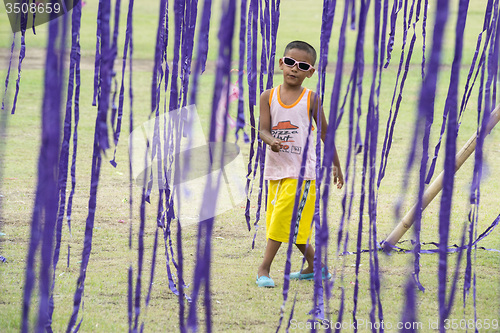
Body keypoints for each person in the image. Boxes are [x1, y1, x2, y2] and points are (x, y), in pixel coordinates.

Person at [256, 41, 344, 288]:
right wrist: (271, 140)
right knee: (288, 223)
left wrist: (336, 165)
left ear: (310, 72)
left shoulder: (312, 99)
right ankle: (317, 267)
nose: (295, 69)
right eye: (290, 63)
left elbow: (326, 134)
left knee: (282, 220)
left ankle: (264, 268)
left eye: (303, 65)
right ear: (281, 63)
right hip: (276, 171)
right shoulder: (268, 96)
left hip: (301, 172)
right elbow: (262, 130)